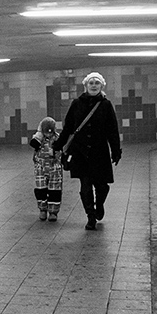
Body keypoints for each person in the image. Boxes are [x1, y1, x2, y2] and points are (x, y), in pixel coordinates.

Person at [53, 72, 122, 231]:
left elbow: (112, 130)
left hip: (99, 151)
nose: (93, 85)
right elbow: (68, 128)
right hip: (80, 151)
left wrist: (116, 150)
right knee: (85, 187)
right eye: (91, 82)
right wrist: (58, 145)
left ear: (101, 85)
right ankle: (90, 216)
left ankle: (99, 205)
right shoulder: (77, 104)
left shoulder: (105, 104)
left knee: (102, 186)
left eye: (97, 82)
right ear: (85, 85)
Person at [29, 116, 63, 222]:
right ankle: (42, 209)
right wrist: (39, 134)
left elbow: (63, 149)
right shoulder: (38, 139)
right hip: (41, 168)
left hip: (54, 169)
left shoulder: (58, 138)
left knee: (55, 191)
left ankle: (53, 212)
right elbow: (33, 143)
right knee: (40, 190)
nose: (48, 134)